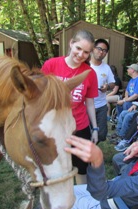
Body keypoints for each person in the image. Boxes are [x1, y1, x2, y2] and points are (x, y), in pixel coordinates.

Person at [41, 29, 98, 184]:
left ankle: (81, 200)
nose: (81, 55)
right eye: (78, 48)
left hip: (79, 127)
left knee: (80, 168)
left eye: (86, 52)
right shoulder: (51, 65)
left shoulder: (90, 73)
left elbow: (90, 103)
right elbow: (40, 96)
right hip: (54, 127)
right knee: (55, 168)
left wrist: (95, 128)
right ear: (71, 43)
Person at [90, 39, 115, 143]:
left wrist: (107, 87)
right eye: (99, 49)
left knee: (101, 134)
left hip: (101, 106)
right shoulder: (85, 65)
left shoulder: (106, 67)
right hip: (85, 106)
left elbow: (113, 84)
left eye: (104, 51)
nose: (101, 52)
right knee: (85, 133)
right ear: (93, 48)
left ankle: (92, 152)